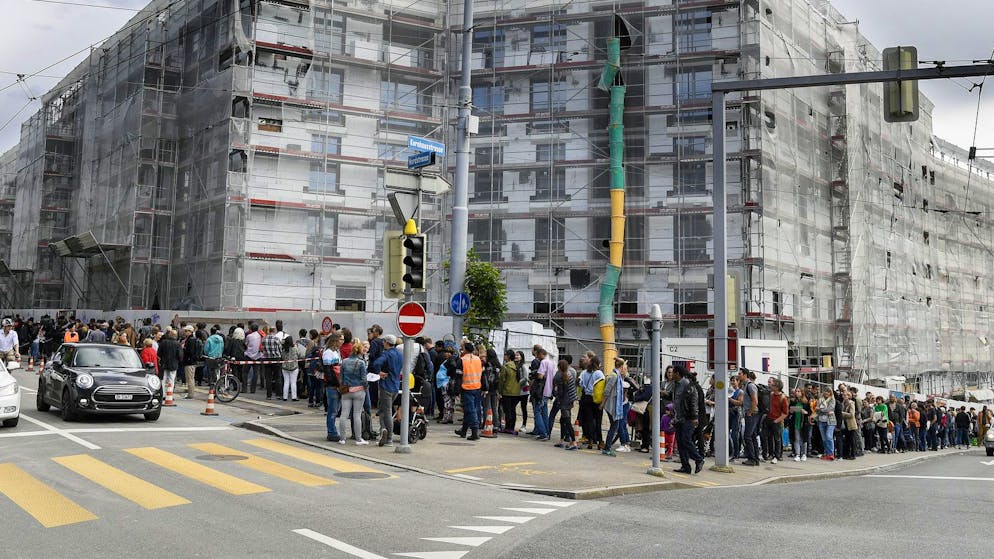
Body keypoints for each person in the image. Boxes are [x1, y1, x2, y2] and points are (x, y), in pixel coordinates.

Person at [369, 334, 402, 446]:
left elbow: (376, 363)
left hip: (386, 385)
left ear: (387, 343)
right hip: (396, 386)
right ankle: (383, 429)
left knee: (387, 412)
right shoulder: (399, 354)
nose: (382, 343)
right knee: (383, 410)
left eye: (384, 341)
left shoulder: (386, 354)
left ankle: (389, 439)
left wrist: (379, 372)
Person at [672, 365, 705, 474]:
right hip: (679, 418)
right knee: (681, 443)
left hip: (688, 418)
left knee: (686, 440)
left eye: (673, 373)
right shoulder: (676, 385)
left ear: (677, 374)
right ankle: (685, 466)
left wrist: (694, 417)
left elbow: (693, 401)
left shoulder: (687, 385)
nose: (671, 375)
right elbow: (676, 400)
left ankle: (699, 459)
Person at [339, 343, 368, 445]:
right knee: (357, 415)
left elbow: (341, 378)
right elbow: (364, 379)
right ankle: (359, 439)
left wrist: (342, 385)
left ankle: (342, 439)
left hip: (346, 390)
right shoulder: (361, 363)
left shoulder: (344, 362)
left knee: (344, 414)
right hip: (359, 391)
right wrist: (366, 388)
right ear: (360, 352)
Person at [602, 358, 632, 455]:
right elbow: (607, 391)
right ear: (621, 367)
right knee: (615, 426)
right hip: (612, 405)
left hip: (613, 405)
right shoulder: (615, 376)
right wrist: (602, 403)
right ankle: (607, 447)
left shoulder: (616, 375)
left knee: (615, 426)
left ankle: (608, 446)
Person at [455, 342, 484, 441]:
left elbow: (458, 377)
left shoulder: (462, 360)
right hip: (477, 387)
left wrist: (456, 390)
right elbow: (482, 374)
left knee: (471, 410)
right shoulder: (478, 359)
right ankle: (463, 430)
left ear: (465, 349)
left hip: (467, 388)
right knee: (469, 410)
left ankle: (475, 431)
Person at [578, 356, 605, 449]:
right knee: (598, 421)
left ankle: (590, 441)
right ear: (598, 363)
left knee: (589, 421)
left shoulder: (584, 372)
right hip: (596, 399)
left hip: (586, 398)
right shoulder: (599, 373)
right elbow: (602, 385)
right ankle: (600, 442)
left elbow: (580, 383)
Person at [322, 333, 344, 442]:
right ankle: (331, 432)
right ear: (335, 340)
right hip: (332, 386)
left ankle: (332, 431)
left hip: (337, 385)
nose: (342, 341)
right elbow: (328, 371)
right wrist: (336, 384)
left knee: (336, 410)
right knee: (333, 410)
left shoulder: (336, 352)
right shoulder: (328, 353)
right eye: (341, 339)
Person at [553, 359, 578, 450]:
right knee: (562, 420)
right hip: (570, 400)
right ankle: (562, 440)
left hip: (564, 401)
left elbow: (561, 392)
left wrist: (558, 399)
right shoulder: (568, 374)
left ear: (559, 367)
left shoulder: (561, 377)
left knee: (567, 421)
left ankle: (573, 442)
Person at [738, 369, 761, 466]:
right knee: (752, 436)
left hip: (752, 414)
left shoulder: (750, 385)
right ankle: (755, 458)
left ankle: (752, 458)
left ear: (745, 375)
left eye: (740, 374)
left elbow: (755, 401)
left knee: (747, 436)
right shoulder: (746, 385)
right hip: (751, 414)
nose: (738, 375)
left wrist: (750, 412)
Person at [498, 349, 521, 434]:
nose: (504, 356)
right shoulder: (516, 366)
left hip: (507, 392)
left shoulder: (506, 366)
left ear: (508, 356)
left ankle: (508, 427)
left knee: (507, 411)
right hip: (516, 393)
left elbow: (502, 380)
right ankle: (511, 427)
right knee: (512, 410)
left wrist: (500, 391)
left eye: (505, 355)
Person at [766, 378, 788, 464]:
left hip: (777, 420)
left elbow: (785, 413)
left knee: (777, 439)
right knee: (769, 438)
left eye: (773, 385)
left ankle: (777, 455)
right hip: (769, 419)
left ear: (778, 387)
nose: (771, 386)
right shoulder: (771, 394)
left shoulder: (783, 398)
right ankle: (771, 454)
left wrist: (776, 421)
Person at [262, 326, 284, 400]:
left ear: (269, 331)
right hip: (276, 359)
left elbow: (263, 349)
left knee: (268, 378)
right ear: (274, 331)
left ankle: (269, 395)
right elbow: (280, 349)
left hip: (267, 359)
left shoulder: (264, 339)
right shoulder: (276, 339)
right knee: (278, 377)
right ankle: (278, 394)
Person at [180, 325, 201, 400]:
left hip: (189, 361)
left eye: (186, 331)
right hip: (191, 361)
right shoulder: (192, 339)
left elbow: (190, 351)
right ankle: (190, 392)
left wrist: (184, 348)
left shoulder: (190, 340)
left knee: (190, 378)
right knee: (190, 378)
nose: (185, 332)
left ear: (190, 331)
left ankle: (190, 394)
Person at [157, 329, 181, 395]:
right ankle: (169, 394)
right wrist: (178, 360)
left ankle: (163, 394)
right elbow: (180, 355)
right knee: (171, 379)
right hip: (174, 364)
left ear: (169, 335)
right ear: (176, 336)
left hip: (164, 363)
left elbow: (158, 353)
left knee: (163, 379)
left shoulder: (163, 342)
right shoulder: (177, 344)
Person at [817, 388, 838, 460]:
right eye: (825, 391)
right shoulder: (820, 399)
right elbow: (817, 410)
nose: (826, 393)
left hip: (830, 421)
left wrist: (821, 410)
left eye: (828, 392)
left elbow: (830, 409)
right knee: (824, 438)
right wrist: (824, 411)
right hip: (821, 420)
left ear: (831, 393)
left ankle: (831, 454)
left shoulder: (832, 400)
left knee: (829, 436)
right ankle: (827, 453)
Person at [788, 388, 809, 462]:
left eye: (798, 391)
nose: (796, 393)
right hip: (795, 422)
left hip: (803, 422)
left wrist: (804, 411)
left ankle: (804, 454)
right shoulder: (793, 401)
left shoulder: (806, 402)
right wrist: (792, 410)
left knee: (804, 439)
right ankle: (797, 454)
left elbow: (808, 412)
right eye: (796, 391)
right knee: (796, 439)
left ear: (802, 393)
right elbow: (790, 410)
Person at [728, 377, 743, 460]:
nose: (732, 382)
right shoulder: (728, 390)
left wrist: (730, 399)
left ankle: (736, 454)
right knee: (726, 433)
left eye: (734, 381)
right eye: (731, 380)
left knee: (734, 434)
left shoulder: (740, 392)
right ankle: (729, 451)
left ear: (738, 382)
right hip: (728, 413)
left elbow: (740, 403)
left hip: (736, 414)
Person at [281, 336, 300, 402]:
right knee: (293, 382)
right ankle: (294, 397)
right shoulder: (295, 348)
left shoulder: (284, 349)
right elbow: (299, 354)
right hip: (294, 367)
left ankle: (285, 397)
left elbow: (282, 357)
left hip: (285, 367)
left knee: (286, 382)